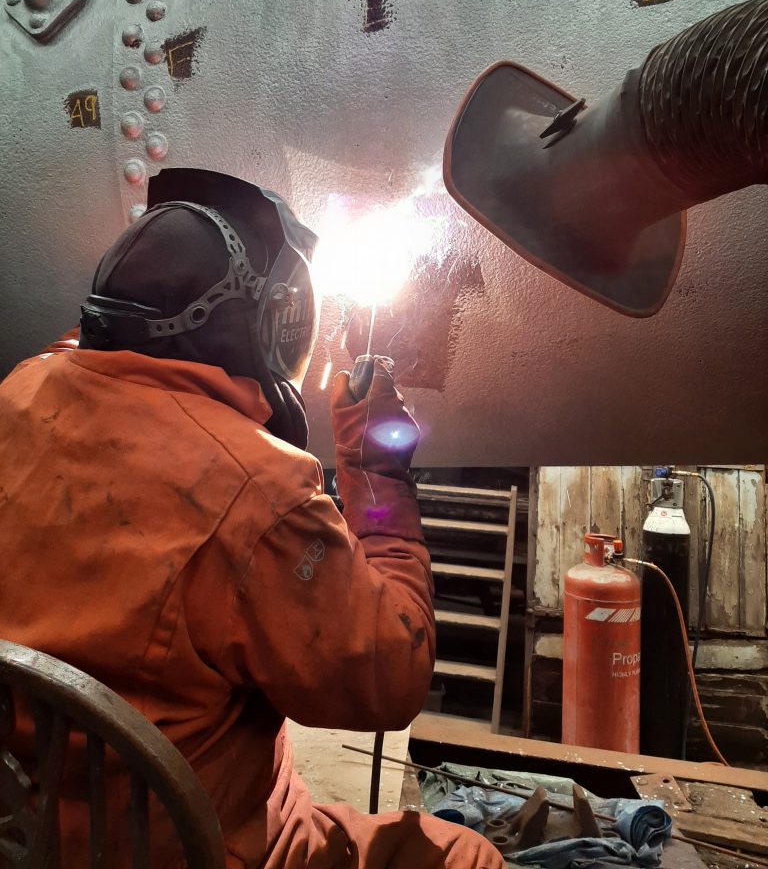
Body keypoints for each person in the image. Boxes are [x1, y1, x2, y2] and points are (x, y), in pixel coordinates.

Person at [0, 168, 503, 869]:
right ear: (274, 323)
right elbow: (393, 675)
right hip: (189, 845)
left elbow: (97, 351)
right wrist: (378, 473)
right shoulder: (259, 494)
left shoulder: (21, 392)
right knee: (465, 857)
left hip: (30, 834)